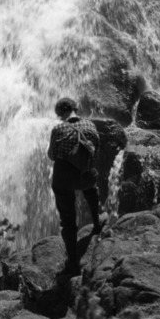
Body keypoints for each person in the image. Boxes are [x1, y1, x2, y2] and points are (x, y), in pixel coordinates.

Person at [47, 95, 102, 274]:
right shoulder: (90, 125)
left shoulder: (59, 129)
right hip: (86, 175)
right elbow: (97, 149)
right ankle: (97, 223)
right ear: (75, 108)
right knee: (91, 190)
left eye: (59, 114)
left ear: (62, 112)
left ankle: (72, 261)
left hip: (64, 179)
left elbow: (52, 155)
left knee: (68, 218)